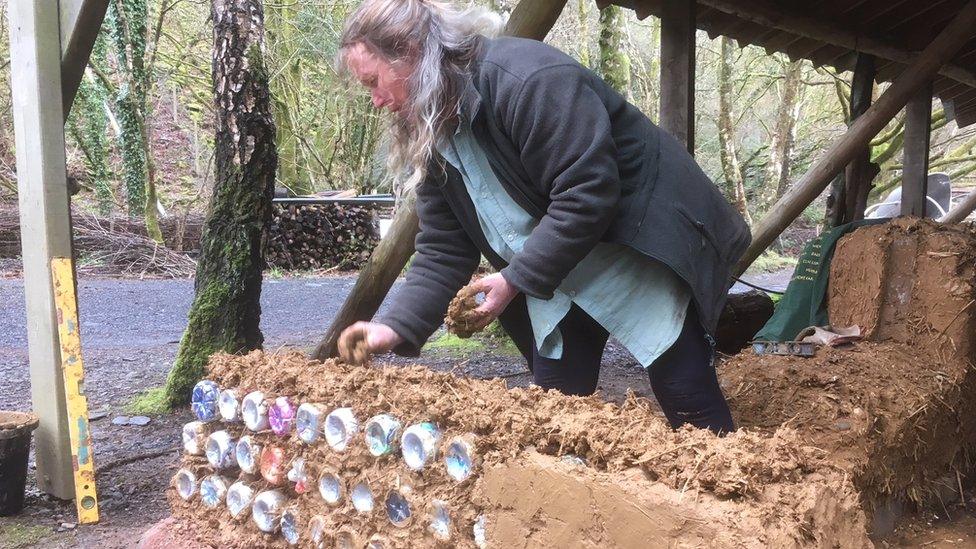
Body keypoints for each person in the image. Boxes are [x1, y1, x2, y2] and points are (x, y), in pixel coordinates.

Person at [335, 0, 750, 435]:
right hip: (549, 268)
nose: (377, 100)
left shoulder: (529, 80)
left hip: (628, 247)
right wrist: (392, 327)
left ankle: (726, 492)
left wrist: (513, 280)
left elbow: (587, 193)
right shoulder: (436, 129)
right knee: (554, 417)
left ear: (411, 50)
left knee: (691, 404)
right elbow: (442, 249)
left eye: (374, 81)